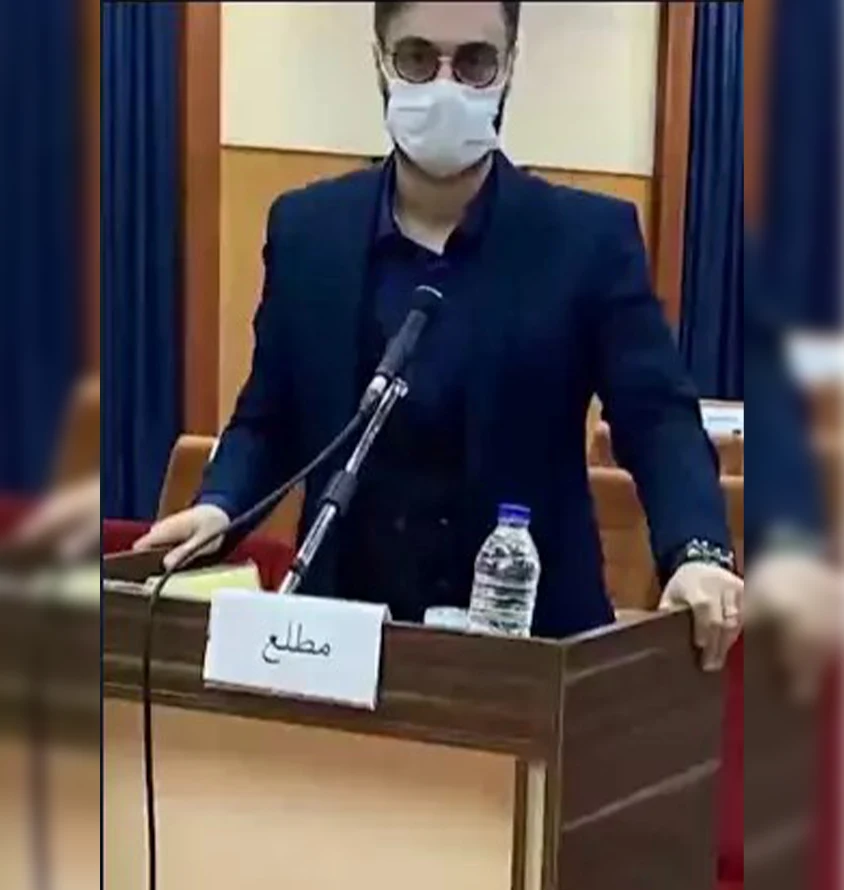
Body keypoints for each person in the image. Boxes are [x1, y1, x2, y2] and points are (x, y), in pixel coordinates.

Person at [136, 0, 743, 666]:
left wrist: (697, 551)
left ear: (509, 68)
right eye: (417, 58)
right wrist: (220, 504)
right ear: (380, 63)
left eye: (475, 62)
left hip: (532, 647)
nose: (445, 85)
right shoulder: (308, 230)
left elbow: (656, 416)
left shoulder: (588, 240)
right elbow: (269, 416)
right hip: (336, 641)